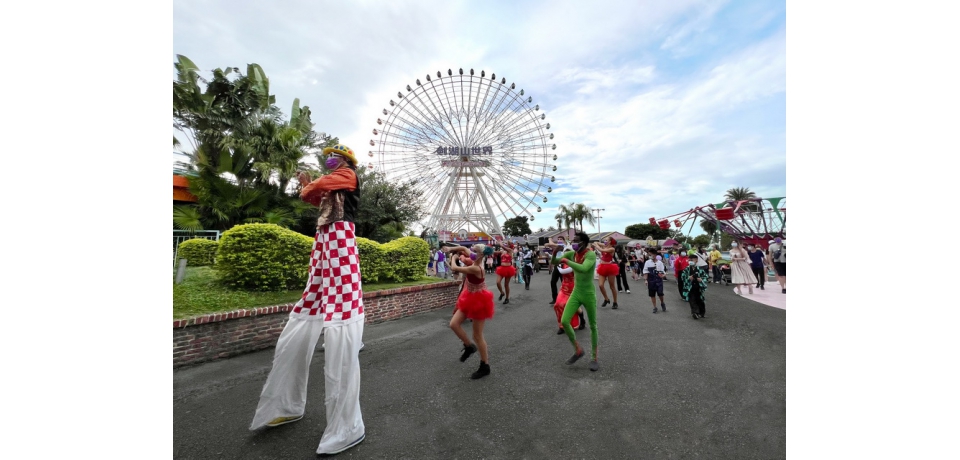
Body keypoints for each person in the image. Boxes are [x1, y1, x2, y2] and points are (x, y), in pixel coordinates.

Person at [249, 144, 365, 456]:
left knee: (341, 308)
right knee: (311, 299)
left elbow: (321, 187)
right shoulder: (334, 180)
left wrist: (312, 184)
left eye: (336, 156)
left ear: (346, 161)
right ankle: (286, 404)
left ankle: (348, 426)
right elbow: (311, 196)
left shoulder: (347, 176)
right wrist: (306, 186)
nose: (331, 160)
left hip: (340, 236)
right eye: (331, 156)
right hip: (325, 237)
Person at [554, 232, 601, 372]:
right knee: (565, 321)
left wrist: (566, 261)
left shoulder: (590, 255)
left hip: (588, 294)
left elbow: (584, 268)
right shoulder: (571, 254)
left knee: (593, 325)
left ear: (584, 243)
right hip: (576, 293)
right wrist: (555, 253)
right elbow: (555, 262)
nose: (573, 242)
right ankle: (578, 350)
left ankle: (594, 358)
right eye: (573, 240)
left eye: (576, 241)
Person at [446, 245, 494, 379]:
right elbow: (463, 248)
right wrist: (451, 249)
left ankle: (485, 365)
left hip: (479, 300)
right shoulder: (475, 258)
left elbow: (454, 268)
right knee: (454, 324)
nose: (472, 253)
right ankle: (468, 346)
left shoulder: (476, 268)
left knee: (477, 335)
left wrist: (453, 257)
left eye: (475, 252)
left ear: (480, 255)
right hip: (469, 296)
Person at [542, 239, 585, 334]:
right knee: (558, 305)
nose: (567, 254)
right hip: (564, 287)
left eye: (569, 253)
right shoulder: (562, 262)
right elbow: (554, 261)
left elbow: (564, 271)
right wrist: (554, 253)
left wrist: (557, 264)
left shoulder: (575, 263)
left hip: (574, 288)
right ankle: (561, 326)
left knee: (572, 307)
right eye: (566, 252)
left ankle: (582, 320)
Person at [594, 237, 620, 309]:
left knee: (612, 286)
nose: (605, 241)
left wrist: (597, 246)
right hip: (602, 267)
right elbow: (596, 243)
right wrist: (597, 243)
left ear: (610, 242)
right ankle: (606, 299)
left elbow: (601, 249)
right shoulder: (604, 245)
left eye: (606, 240)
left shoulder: (612, 249)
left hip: (610, 267)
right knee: (600, 285)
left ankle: (615, 302)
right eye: (605, 240)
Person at [682, 253, 709, 319]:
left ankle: (701, 313)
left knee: (700, 300)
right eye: (690, 260)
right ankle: (695, 312)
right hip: (690, 287)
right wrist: (688, 278)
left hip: (698, 287)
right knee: (692, 300)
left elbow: (706, 276)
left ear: (696, 260)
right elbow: (683, 277)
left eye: (692, 260)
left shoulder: (700, 269)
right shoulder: (686, 269)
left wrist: (701, 279)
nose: (691, 261)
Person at [548, 236, 567, 305]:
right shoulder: (557, 247)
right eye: (558, 239)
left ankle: (565, 298)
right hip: (557, 266)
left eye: (561, 239)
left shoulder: (564, 245)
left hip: (564, 266)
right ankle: (555, 299)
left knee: (564, 283)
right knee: (553, 282)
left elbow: (551, 244)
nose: (559, 240)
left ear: (564, 240)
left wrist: (550, 239)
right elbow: (550, 245)